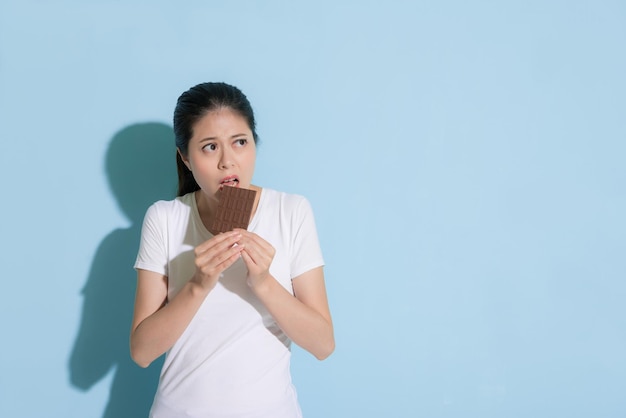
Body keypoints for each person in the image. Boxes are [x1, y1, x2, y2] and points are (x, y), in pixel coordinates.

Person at [130, 82, 335, 418]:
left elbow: (323, 344)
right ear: (185, 157)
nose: (228, 162)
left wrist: (265, 282)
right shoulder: (165, 218)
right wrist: (198, 284)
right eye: (210, 147)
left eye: (240, 142)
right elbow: (141, 352)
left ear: (254, 143)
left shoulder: (291, 211)